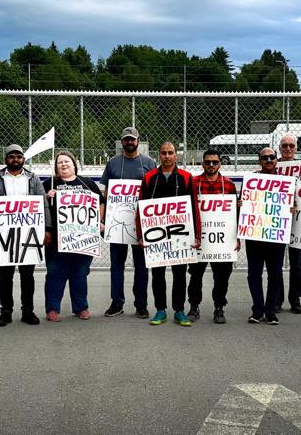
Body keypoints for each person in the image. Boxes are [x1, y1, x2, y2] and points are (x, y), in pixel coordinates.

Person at [0, 144, 51, 326]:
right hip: (5, 236)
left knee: (27, 276)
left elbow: (43, 205)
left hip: (28, 235)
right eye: (11, 156)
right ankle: (5, 312)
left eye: (19, 156)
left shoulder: (33, 179)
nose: (15, 159)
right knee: (5, 276)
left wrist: (47, 229)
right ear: (6, 159)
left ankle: (28, 311)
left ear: (23, 159)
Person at [137, 142, 201, 327]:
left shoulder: (186, 178)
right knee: (157, 274)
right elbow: (141, 207)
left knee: (179, 274)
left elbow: (194, 208)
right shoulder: (149, 177)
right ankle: (160, 310)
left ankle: (179, 311)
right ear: (159, 155)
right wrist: (141, 234)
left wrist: (196, 235)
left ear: (176, 155)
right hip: (156, 237)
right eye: (163, 153)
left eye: (170, 153)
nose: (167, 156)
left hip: (179, 236)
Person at [99, 126, 157, 319]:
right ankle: (117, 302)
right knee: (117, 264)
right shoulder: (113, 163)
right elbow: (106, 194)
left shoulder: (149, 162)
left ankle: (141, 304)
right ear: (121, 142)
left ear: (138, 141)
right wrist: (103, 219)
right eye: (126, 139)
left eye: (132, 139)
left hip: (141, 223)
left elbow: (154, 192)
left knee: (142, 265)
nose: (129, 142)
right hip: (117, 223)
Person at [43, 151, 102, 321]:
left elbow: (101, 202)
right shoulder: (50, 183)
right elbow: (36, 205)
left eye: (66, 161)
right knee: (55, 274)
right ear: (55, 167)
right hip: (56, 240)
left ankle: (81, 307)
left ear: (74, 164)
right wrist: (46, 197)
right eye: (59, 162)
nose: (63, 164)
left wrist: (100, 220)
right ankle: (52, 309)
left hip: (83, 240)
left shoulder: (87, 183)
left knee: (79, 274)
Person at [187, 149, 238, 324]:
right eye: (207, 162)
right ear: (202, 164)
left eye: (214, 162)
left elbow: (235, 214)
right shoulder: (193, 183)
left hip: (222, 240)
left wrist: (236, 237)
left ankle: (219, 307)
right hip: (199, 238)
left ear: (220, 164)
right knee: (195, 275)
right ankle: (194, 306)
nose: (210, 165)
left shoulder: (229, 185)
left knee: (222, 276)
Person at [246, 148, 286, 325]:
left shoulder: (286, 182)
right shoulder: (252, 181)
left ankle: (270, 311)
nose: (269, 160)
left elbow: (294, 203)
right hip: (254, 235)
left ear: (276, 160)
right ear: (259, 161)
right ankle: (257, 309)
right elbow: (245, 204)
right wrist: (241, 204)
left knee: (275, 274)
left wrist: (291, 208)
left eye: (272, 157)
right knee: (254, 274)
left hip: (276, 235)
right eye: (265, 158)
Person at [277, 134, 301, 314]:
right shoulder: (273, 166)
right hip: (277, 220)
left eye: (291, 146)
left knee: (296, 263)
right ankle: (277, 299)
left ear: (296, 148)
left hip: (297, 220)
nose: (288, 148)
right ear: (280, 148)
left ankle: (295, 299)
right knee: (276, 264)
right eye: (284, 145)